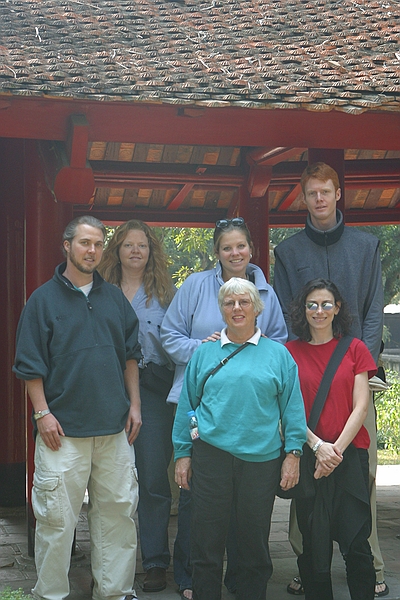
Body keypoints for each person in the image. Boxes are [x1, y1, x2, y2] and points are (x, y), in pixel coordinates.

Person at [273, 162, 387, 597]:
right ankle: (308, 561)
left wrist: (367, 367)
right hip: (305, 375)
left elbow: (374, 310)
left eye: (326, 192)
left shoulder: (365, 245)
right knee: (304, 474)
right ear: (303, 198)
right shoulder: (289, 252)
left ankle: (371, 563)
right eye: (312, 193)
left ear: (339, 194)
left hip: (356, 375)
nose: (319, 200)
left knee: (362, 476)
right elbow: (286, 313)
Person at [13, 216, 141, 600]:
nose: (92, 251)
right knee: (55, 520)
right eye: (85, 243)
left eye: (99, 244)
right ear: (66, 246)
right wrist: (42, 413)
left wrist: (134, 404)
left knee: (118, 516)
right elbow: (29, 365)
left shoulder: (114, 299)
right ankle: (50, 594)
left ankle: (115, 592)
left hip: (114, 428)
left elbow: (130, 356)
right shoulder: (42, 301)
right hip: (62, 431)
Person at [161, 217, 287, 599]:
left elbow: (279, 341)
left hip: (252, 417)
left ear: (251, 249)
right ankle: (191, 579)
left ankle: (241, 582)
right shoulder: (196, 285)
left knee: (245, 513)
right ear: (216, 252)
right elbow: (169, 334)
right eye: (227, 247)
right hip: (201, 410)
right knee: (197, 506)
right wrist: (205, 349)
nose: (235, 253)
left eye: (241, 246)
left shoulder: (266, 289)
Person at [173, 278, 307, 600]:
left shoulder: (279, 355)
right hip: (211, 458)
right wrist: (185, 451)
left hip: (260, 462)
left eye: (244, 302)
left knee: (253, 545)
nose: (236, 308)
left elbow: (292, 409)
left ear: (257, 308)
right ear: (221, 309)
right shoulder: (204, 354)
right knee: (205, 543)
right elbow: (188, 407)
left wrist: (293, 454)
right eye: (229, 303)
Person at [285, 278, 377, 600]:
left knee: (356, 543)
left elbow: (361, 405)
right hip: (311, 457)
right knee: (313, 549)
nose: (319, 311)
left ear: (337, 308)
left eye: (326, 304)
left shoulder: (355, 348)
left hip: (348, 456)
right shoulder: (288, 352)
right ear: (303, 310)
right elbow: (287, 410)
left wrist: (333, 451)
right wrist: (317, 447)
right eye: (312, 304)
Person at [98, 220, 176, 593]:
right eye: (127, 245)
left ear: (151, 251)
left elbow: (178, 343)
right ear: (116, 250)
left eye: (141, 245)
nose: (134, 251)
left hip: (155, 391)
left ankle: (156, 560)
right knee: (109, 480)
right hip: (109, 389)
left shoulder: (166, 293)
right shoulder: (100, 291)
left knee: (153, 479)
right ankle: (111, 564)